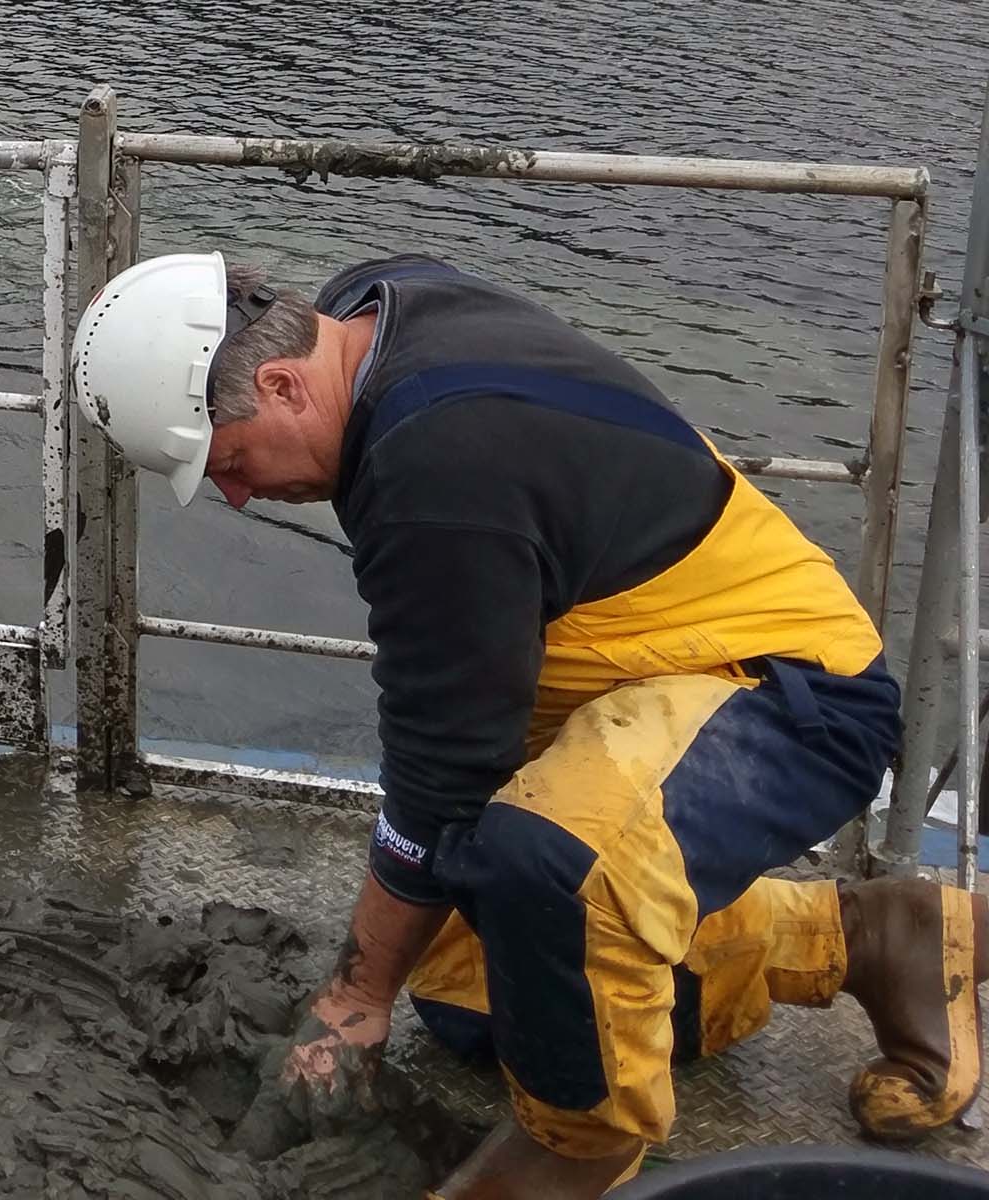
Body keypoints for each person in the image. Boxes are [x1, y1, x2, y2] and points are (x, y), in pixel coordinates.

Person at [71, 251, 982, 1196]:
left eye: (228, 461)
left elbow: (442, 775)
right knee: (492, 1001)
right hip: (637, 675)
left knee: (551, 872)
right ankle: (873, 938)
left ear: (281, 381)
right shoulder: (365, 311)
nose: (237, 495)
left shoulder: (436, 466)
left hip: (785, 687)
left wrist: (353, 999)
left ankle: (576, 1148)